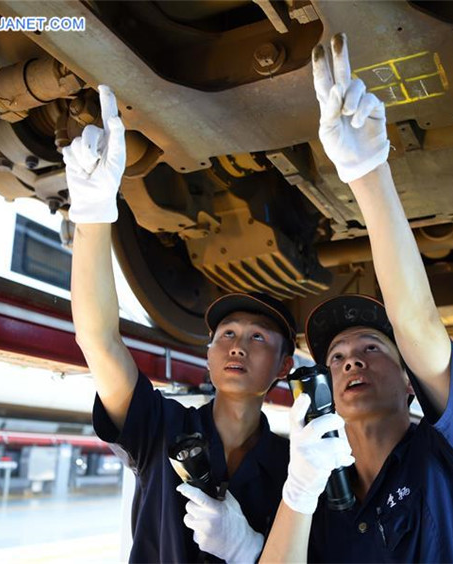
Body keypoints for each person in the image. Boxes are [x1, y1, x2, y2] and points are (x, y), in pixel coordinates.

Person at [256, 33, 453, 562]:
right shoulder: (325, 501)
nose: (350, 359)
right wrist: (299, 492)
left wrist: (367, 173)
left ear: (409, 380)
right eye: (336, 358)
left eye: (372, 348)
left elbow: (417, 325)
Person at [64, 85, 296, 562]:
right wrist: (91, 213)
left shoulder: (298, 468)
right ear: (208, 356)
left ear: (283, 366)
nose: (237, 347)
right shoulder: (160, 427)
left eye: (257, 338)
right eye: (226, 335)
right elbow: (99, 341)